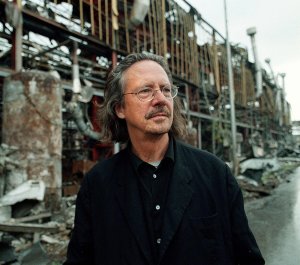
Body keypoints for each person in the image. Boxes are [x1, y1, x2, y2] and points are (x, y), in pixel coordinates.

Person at [64, 52, 265, 265]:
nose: (160, 99)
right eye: (145, 91)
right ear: (120, 108)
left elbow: (248, 258)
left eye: (166, 90)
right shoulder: (97, 185)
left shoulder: (215, 174)